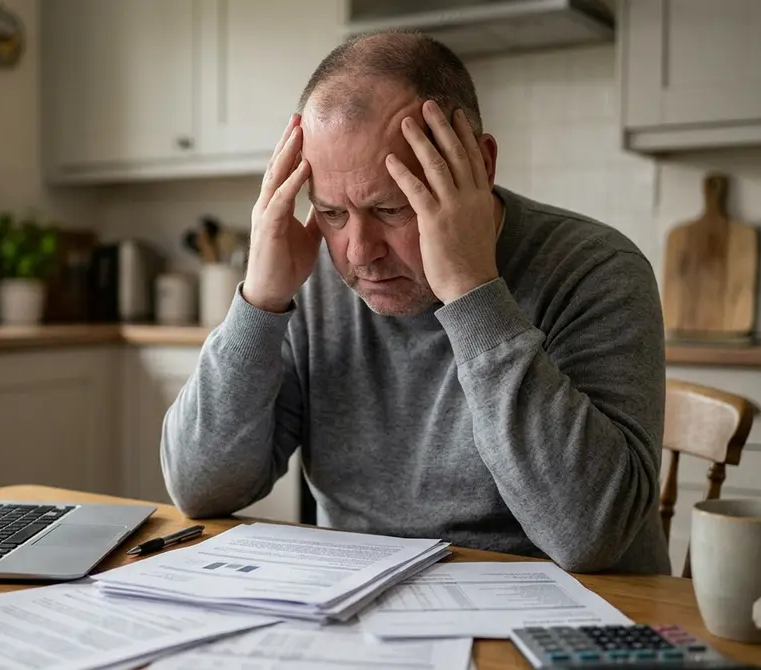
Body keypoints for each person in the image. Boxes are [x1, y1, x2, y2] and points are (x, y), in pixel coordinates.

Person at [160, 29, 670, 574]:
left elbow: (592, 535)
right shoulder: (309, 279)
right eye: (332, 213)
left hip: (564, 621)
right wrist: (258, 304)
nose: (360, 253)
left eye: (392, 210)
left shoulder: (596, 268)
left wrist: (473, 294)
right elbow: (199, 489)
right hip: (363, 615)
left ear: (480, 165)